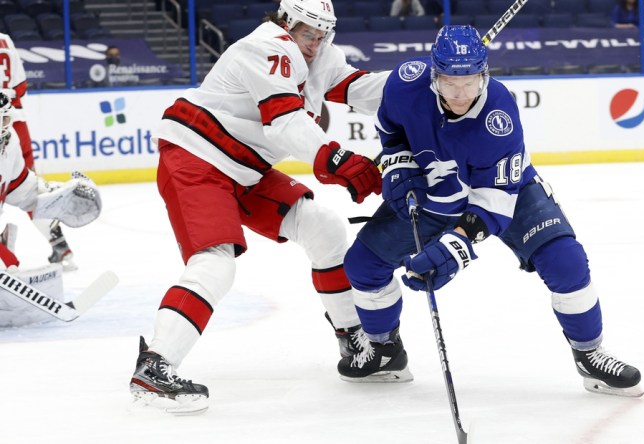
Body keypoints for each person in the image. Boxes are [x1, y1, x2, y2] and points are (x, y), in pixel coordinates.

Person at [337, 25, 643, 398]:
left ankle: (590, 354)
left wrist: (458, 244)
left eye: (471, 82)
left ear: (485, 75)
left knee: (566, 261)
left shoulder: (500, 114)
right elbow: (390, 125)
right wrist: (399, 161)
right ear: (434, 75)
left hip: (505, 188)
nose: (461, 94)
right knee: (363, 263)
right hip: (437, 187)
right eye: (450, 83)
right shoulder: (406, 83)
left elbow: (496, 198)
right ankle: (384, 351)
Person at [129, 0, 388, 414]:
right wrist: (337, 160)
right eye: (309, 34)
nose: (315, 44)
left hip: (247, 168)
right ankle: (155, 365)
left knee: (324, 227)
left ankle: (355, 342)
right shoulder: (266, 45)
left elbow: (361, 88)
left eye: (323, 36)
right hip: (198, 153)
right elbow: (285, 122)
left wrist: (425, 84)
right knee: (216, 262)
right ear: (287, 22)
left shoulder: (321, 54)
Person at [0, 92, 103, 328]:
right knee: (7, 267)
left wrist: (53, 196)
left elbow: (19, 187)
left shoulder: (9, 141)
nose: (6, 127)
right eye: (2, 121)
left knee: (9, 270)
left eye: (7, 120)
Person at [0, 32, 78, 270]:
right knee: (25, 188)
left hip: (6, 122)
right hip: (14, 121)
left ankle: (4, 256)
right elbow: (20, 87)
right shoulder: (5, 39)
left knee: (19, 186)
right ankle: (59, 244)